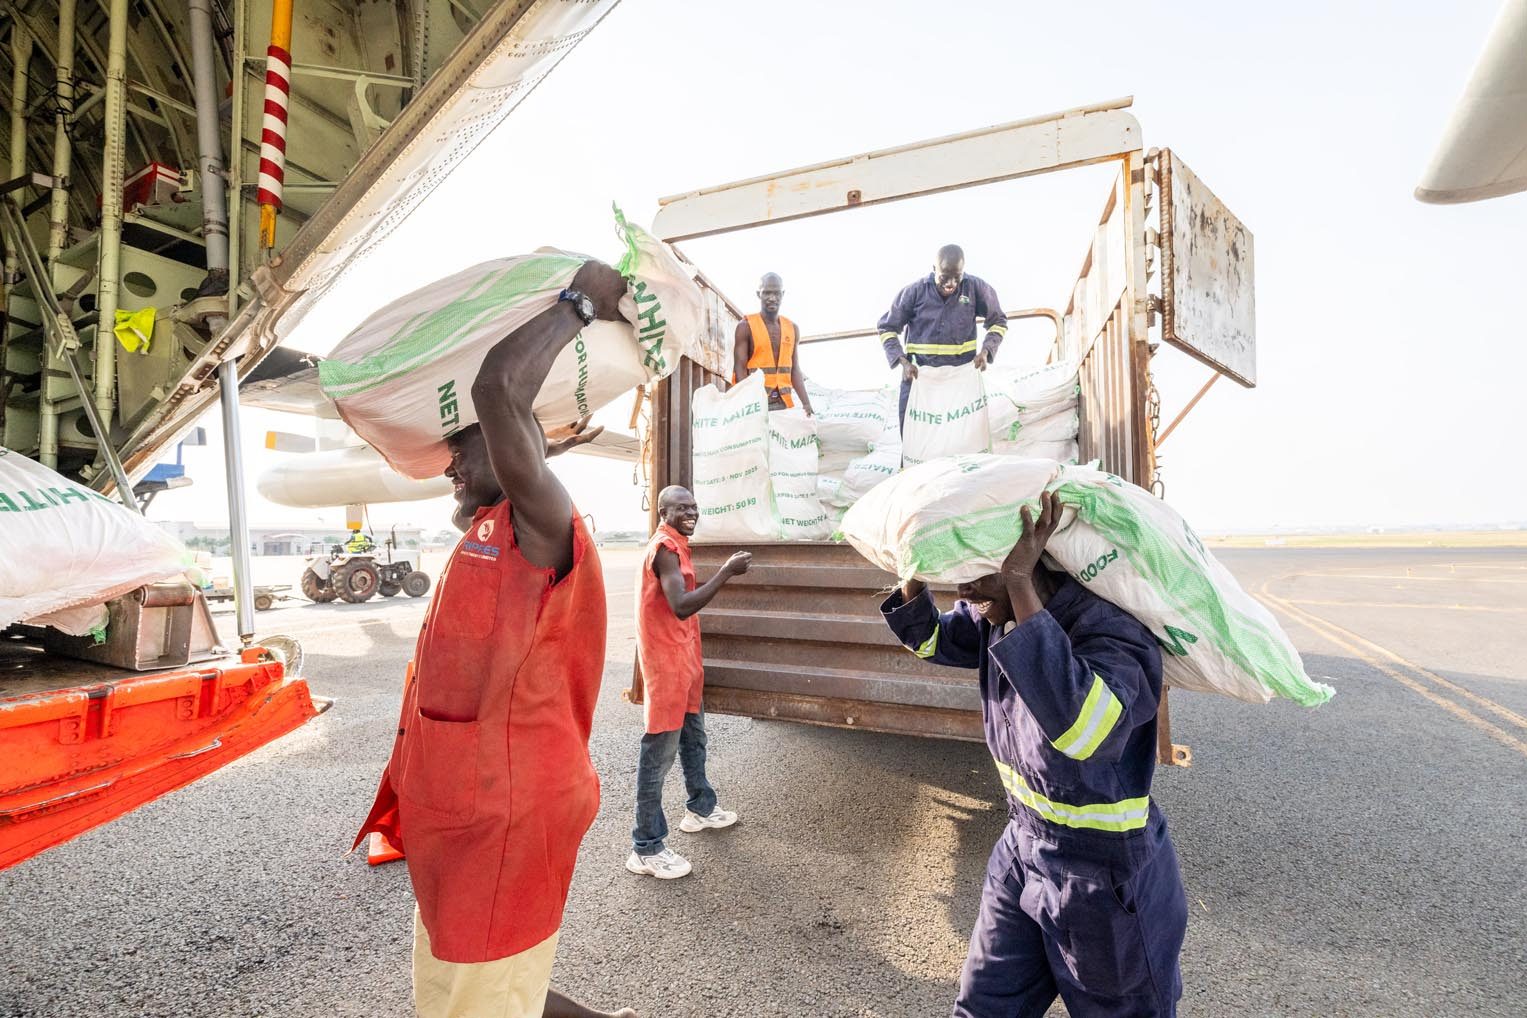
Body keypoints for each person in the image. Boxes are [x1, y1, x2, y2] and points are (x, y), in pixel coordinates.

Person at [352, 262, 636, 1018]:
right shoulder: (481, 530)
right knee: (477, 977)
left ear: (519, 454)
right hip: (461, 812)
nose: (449, 460)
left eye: (464, 449)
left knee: (477, 993)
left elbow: (494, 389)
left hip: (505, 812)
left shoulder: (541, 520)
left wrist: (581, 303)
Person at [880, 491, 1187, 1018]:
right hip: (1023, 851)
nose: (966, 589)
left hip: (1103, 876)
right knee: (984, 1006)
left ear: (1032, 555)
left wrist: (1017, 582)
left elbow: (1083, 730)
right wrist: (914, 569)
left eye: (980, 573)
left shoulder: (1111, 630)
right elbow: (930, 638)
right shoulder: (992, 617)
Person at [626, 485, 752, 879]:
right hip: (666, 668)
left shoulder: (678, 544)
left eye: (694, 506)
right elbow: (681, 605)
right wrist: (726, 573)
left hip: (684, 664)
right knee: (657, 756)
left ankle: (700, 808)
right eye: (681, 507)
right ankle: (646, 846)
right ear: (663, 512)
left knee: (694, 740)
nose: (691, 512)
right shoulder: (664, 548)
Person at [877, 244, 1008, 427]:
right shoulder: (914, 292)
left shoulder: (975, 289)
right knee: (915, 437)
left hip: (960, 382)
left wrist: (986, 351)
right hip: (919, 381)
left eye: (957, 277)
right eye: (944, 277)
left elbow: (998, 321)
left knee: (961, 439)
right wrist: (903, 362)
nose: (951, 284)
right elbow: (886, 328)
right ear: (933, 270)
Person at [733, 272, 814, 414]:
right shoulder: (745, 326)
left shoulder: (792, 328)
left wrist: (806, 404)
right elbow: (739, 368)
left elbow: (794, 368)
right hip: (757, 402)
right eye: (767, 293)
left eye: (777, 293)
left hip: (783, 403)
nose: (772, 298)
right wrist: (748, 404)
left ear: (783, 294)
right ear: (759, 294)